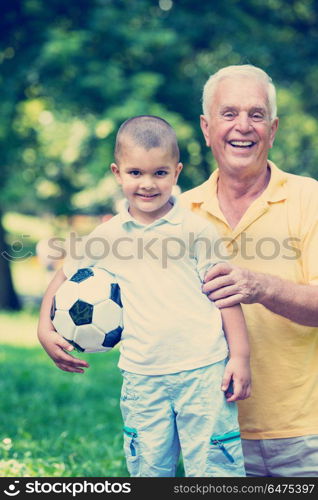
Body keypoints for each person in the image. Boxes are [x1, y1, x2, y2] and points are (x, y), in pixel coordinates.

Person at [37, 115, 251, 477]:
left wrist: (241, 356)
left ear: (177, 172)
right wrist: (45, 330)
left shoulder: (196, 231)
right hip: (142, 376)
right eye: (135, 173)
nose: (148, 184)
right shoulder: (108, 236)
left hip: (204, 371)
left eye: (160, 173)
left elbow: (225, 296)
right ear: (117, 173)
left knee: (215, 470)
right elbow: (63, 277)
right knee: (149, 471)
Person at [180, 65, 318, 477]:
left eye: (256, 115)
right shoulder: (176, 213)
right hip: (212, 432)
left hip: (306, 435)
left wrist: (259, 286)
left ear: (273, 130)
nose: (244, 126)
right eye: (229, 113)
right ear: (206, 128)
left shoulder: (310, 199)